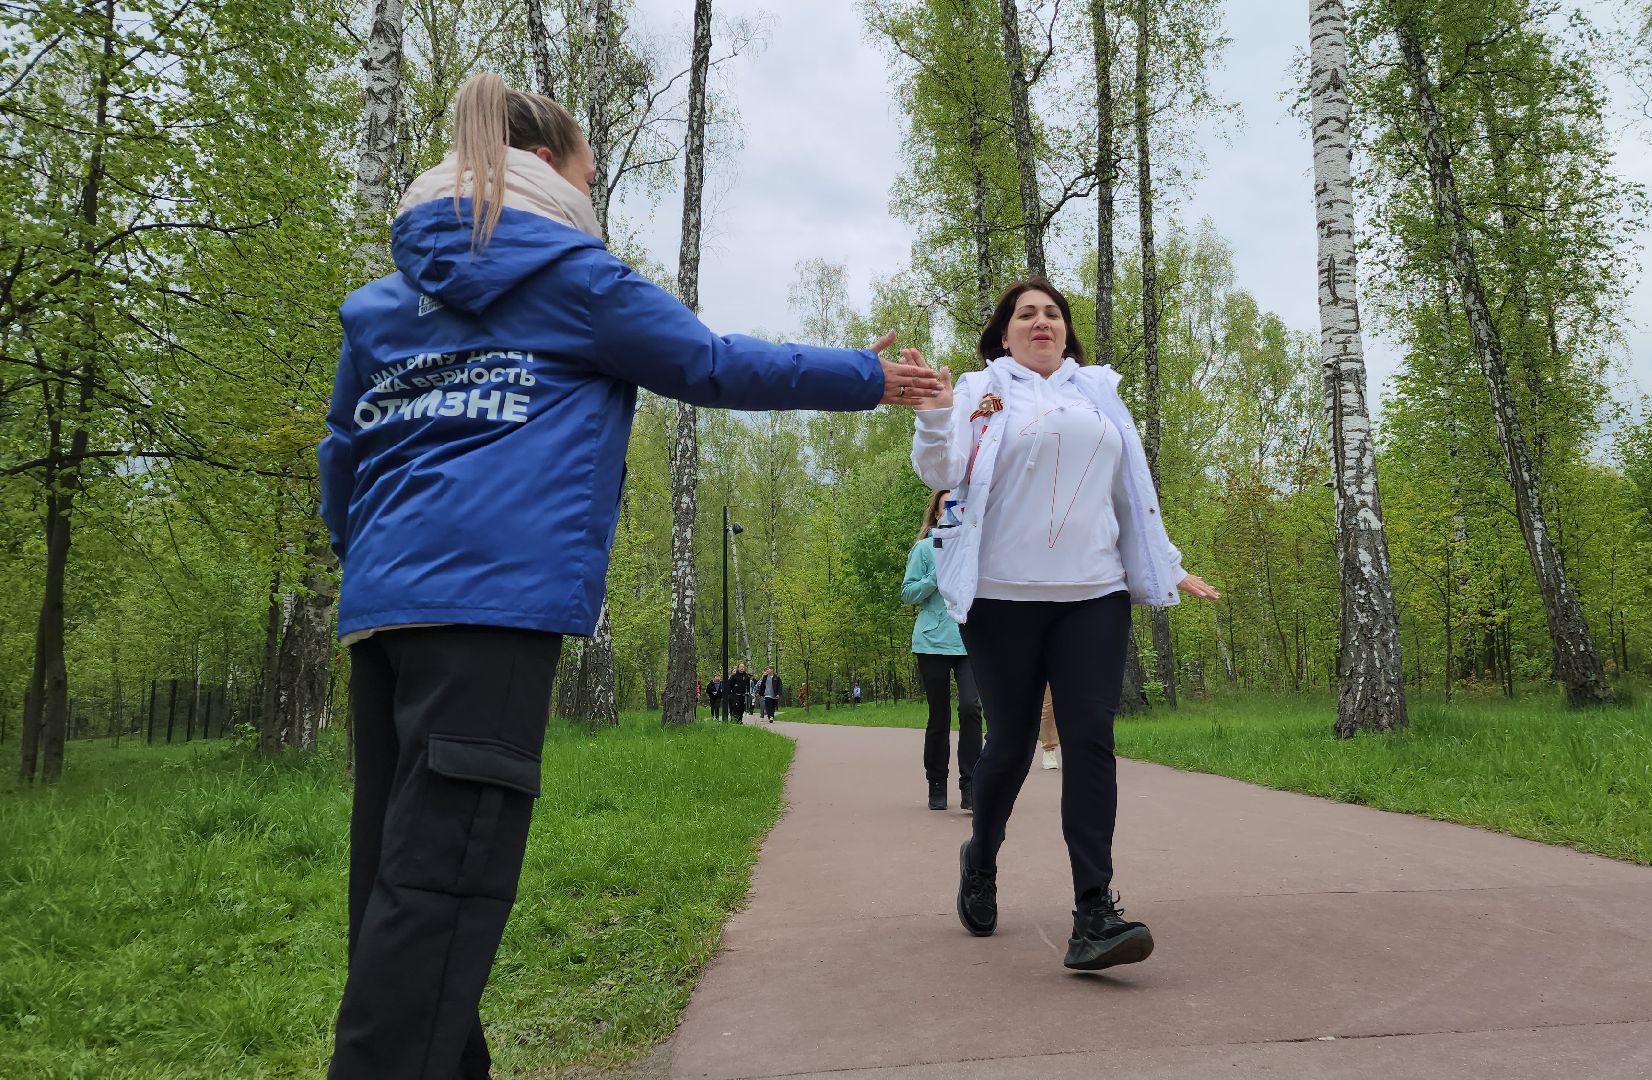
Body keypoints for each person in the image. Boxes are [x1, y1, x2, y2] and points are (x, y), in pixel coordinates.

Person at [318, 73, 940, 1078]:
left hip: (387, 618)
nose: (594, 192)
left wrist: (377, 564)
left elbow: (342, 454)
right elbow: (713, 363)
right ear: (555, 168)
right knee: (444, 886)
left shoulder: (385, 301)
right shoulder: (573, 277)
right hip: (493, 610)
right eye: (592, 172)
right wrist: (866, 377)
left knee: (401, 883)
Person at [908, 278, 1219, 972]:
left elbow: (1133, 491)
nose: (1041, 321)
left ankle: (1093, 913)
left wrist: (1165, 564)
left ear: (1066, 331)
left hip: (1094, 593)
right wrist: (933, 413)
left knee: (1089, 740)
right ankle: (981, 856)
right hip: (1001, 597)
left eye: (1052, 313)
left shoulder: (1098, 395)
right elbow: (942, 470)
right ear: (1005, 332)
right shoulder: (980, 393)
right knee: (1012, 742)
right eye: (1026, 314)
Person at [903, 488, 984, 812]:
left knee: (970, 709)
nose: (952, 511)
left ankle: (971, 784)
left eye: (958, 506)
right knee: (939, 715)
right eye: (946, 506)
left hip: (969, 641)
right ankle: (936, 783)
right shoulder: (924, 549)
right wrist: (936, 576)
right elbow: (908, 593)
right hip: (932, 642)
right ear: (937, 514)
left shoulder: (973, 550)